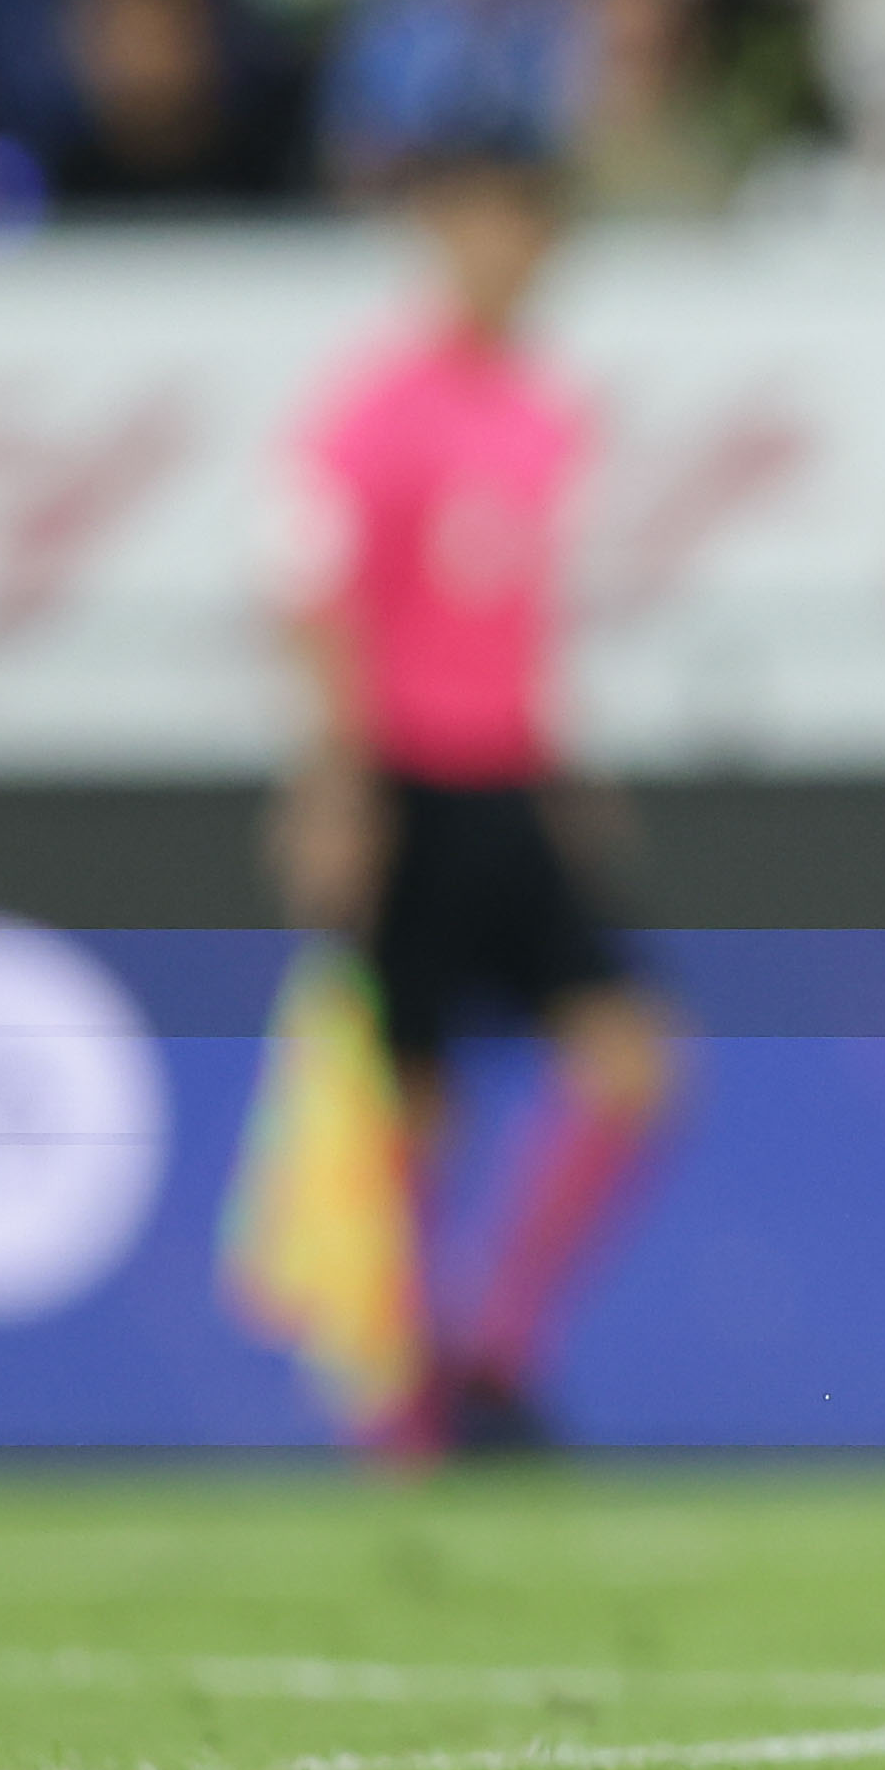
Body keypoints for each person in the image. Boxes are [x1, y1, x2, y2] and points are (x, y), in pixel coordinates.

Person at [271, 134, 684, 1454]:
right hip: (408, 781)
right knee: (415, 1106)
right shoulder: (374, 407)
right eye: (480, 220)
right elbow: (317, 600)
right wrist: (339, 782)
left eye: (527, 223)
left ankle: (496, 1351)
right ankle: (402, 1405)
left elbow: (517, 615)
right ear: (438, 233)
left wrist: (558, 761)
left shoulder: (548, 412)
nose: (506, 248)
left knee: (632, 1064)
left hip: (510, 775)